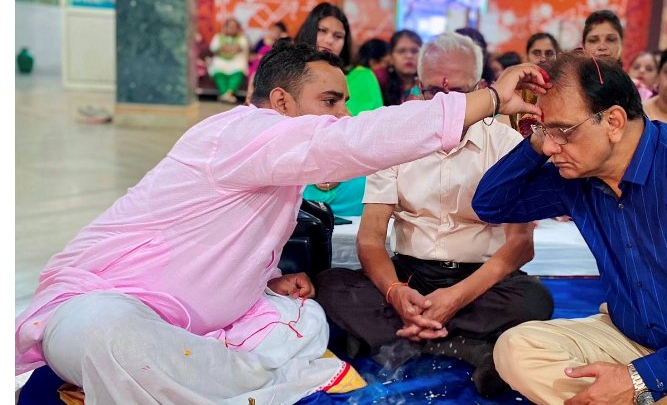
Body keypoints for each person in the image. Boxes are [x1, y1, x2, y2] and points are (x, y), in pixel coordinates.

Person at [14, 41, 548, 403]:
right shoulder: (237, 133)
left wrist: (266, 279)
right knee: (111, 340)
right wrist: (491, 99)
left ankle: (199, 379)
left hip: (212, 323)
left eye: (344, 103)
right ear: (281, 102)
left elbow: (220, 241)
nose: (343, 115)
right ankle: (241, 381)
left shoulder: (277, 162)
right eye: (331, 101)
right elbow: (355, 148)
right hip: (108, 305)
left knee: (307, 315)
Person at [470, 50, 667, 405]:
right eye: (543, 130)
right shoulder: (575, 175)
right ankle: (630, 393)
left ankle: (623, 393)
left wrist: (641, 377)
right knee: (515, 348)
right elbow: (491, 204)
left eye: (562, 130)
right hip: (625, 337)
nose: (550, 146)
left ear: (613, 121)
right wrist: (537, 137)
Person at [315, 32, 553, 397]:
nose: (446, 106)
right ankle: (462, 346)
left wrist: (456, 297)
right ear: (417, 87)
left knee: (535, 299)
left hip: (479, 281)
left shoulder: (507, 145)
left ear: (482, 88)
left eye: (458, 93)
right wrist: (395, 292)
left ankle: (401, 339)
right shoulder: (395, 139)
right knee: (330, 285)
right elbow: (371, 238)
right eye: (433, 93)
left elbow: (520, 244)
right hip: (410, 276)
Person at [295, 3, 384, 214]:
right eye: (322, 31)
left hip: (350, 172)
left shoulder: (362, 77)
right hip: (298, 171)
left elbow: (371, 132)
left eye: (338, 36)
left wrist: (337, 167)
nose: (329, 40)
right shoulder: (289, 76)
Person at [245, 22, 290, 106]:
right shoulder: (262, 40)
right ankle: (248, 99)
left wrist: (282, 39)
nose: (274, 33)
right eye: (273, 30)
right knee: (253, 78)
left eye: (277, 31)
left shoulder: (280, 43)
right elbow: (253, 53)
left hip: (269, 67)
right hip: (257, 65)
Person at [208, 17, 250, 104]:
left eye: (234, 27)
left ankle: (227, 94)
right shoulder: (218, 36)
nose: (231, 29)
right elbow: (213, 48)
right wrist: (230, 47)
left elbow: (240, 48)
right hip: (221, 61)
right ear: (225, 27)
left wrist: (225, 47)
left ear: (237, 28)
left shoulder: (242, 38)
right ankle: (227, 95)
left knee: (238, 72)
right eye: (229, 26)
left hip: (236, 62)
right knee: (218, 73)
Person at [378, 29, 423, 106]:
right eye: (401, 51)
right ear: (391, 57)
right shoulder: (379, 84)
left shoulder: (428, 86)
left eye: (414, 51)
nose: (409, 56)